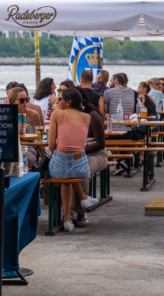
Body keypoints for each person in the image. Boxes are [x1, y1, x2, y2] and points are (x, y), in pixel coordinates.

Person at [48, 88, 100, 232]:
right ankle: (82, 199)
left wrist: (57, 155)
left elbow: (51, 144)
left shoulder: (57, 114)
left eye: (60, 99)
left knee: (65, 175)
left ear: (69, 101)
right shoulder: (87, 117)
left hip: (60, 166)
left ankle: (66, 219)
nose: (58, 102)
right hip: (80, 168)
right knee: (68, 178)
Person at [70, 86, 108, 227]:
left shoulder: (93, 116)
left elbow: (101, 143)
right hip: (74, 153)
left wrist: (81, 152)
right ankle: (64, 210)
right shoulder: (65, 116)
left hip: (96, 153)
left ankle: (80, 213)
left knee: (83, 172)